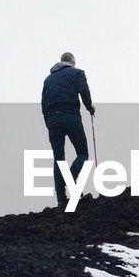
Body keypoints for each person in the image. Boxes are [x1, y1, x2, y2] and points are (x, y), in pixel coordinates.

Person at [41, 51, 94, 209]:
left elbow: (43, 104)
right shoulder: (77, 73)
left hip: (52, 119)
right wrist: (89, 107)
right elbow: (84, 90)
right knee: (83, 153)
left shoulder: (48, 80)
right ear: (72, 62)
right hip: (71, 115)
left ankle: (61, 199)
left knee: (58, 158)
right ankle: (71, 177)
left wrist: (48, 122)